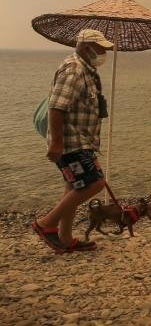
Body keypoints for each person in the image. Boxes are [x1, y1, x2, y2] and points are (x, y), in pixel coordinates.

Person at [32, 29, 113, 253]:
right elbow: (56, 107)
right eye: (101, 48)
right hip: (71, 143)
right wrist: (56, 143)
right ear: (87, 47)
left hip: (80, 140)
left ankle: (65, 238)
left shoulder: (87, 70)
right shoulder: (74, 70)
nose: (104, 52)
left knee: (73, 185)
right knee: (94, 183)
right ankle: (45, 224)